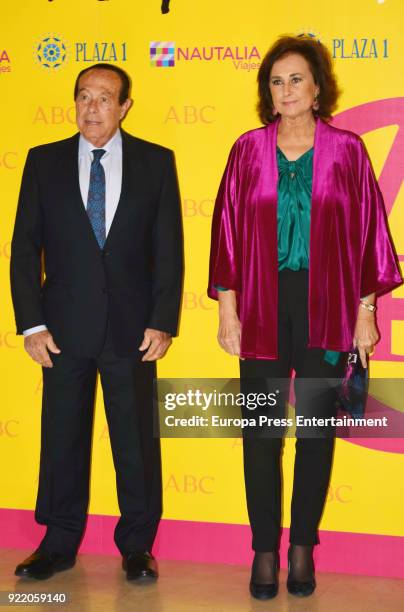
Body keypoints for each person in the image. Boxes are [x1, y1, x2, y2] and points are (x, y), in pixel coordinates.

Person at [208, 36, 401, 599]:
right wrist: (227, 309)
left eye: (297, 80)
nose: (286, 90)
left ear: (318, 88)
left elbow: (370, 237)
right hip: (262, 312)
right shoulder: (247, 150)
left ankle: (301, 550)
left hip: (329, 311)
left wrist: (366, 313)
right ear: (266, 92)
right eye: (276, 81)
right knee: (261, 435)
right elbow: (225, 234)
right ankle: (264, 550)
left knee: (317, 433)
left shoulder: (347, 151)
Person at [10, 63, 183, 581]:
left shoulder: (155, 162)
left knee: (135, 440)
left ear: (125, 106)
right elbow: (23, 250)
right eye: (84, 96)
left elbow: (168, 251)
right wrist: (31, 325)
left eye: (105, 98)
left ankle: (137, 546)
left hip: (133, 329)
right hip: (61, 330)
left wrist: (162, 320)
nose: (92, 108)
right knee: (62, 436)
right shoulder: (44, 163)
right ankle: (58, 542)